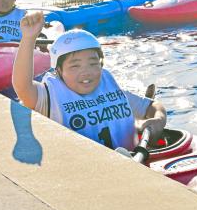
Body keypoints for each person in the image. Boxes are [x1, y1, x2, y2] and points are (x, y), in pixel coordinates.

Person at [13, 15, 166, 151]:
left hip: (134, 163)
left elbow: (153, 106)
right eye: (75, 65)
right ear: (58, 71)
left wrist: (158, 119)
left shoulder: (108, 87)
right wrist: (28, 39)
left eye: (93, 63)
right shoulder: (49, 97)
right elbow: (22, 86)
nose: (86, 72)